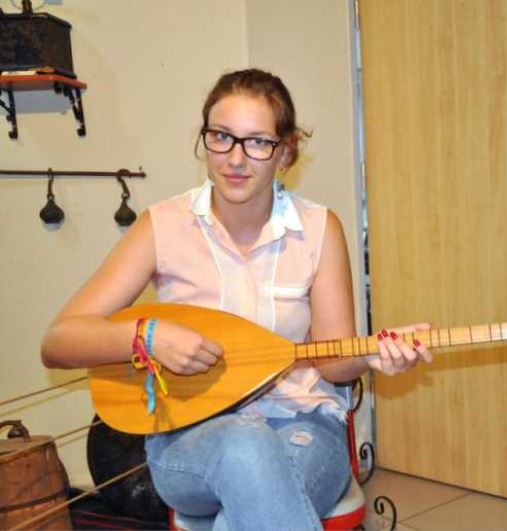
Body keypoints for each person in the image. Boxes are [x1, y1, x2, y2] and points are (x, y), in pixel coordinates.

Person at [41, 68, 432, 530]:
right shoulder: (162, 226)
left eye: (258, 142)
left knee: (244, 508)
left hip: (304, 427)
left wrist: (371, 355)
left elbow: (332, 362)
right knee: (247, 447)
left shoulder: (319, 229)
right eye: (222, 137)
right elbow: (59, 341)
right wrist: (147, 336)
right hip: (188, 441)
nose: (236, 158)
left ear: (285, 152)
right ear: (204, 139)